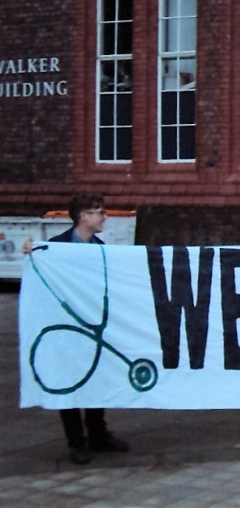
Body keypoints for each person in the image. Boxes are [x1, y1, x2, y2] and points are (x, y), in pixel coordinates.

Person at [23, 194, 131, 464]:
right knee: (68, 381)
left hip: (92, 324)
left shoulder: (100, 248)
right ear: (83, 216)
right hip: (65, 328)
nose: (104, 216)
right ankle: (76, 441)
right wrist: (31, 251)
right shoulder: (55, 248)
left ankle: (97, 434)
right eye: (99, 212)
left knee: (96, 378)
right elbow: (38, 271)